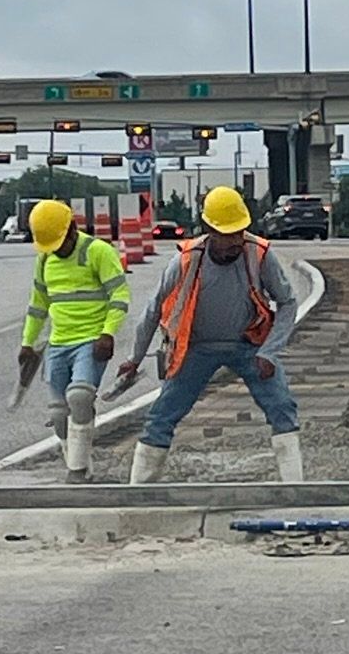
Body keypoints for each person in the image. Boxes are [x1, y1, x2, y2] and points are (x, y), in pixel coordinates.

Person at [119, 185, 303, 485]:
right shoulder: (187, 260)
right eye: (226, 234)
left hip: (248, 345)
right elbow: (152, 311)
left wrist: (269, 352)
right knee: (161, 416)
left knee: (282, 406)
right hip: (197, 348)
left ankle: (295, 488)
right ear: (208, 229)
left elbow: (288, 302)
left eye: (239, 232)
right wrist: (133, 359)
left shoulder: (258, 253)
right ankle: (139, 490)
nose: (234, 242)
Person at [18, 199, 130, 484]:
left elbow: (119, 296)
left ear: (72, 229)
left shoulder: (98, 252)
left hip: (90, 340)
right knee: (58, 414)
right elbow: (38, 304)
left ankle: (76, 471)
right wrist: (27, 343)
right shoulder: (44, 260)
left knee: (79, 397)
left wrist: (108, 333)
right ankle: (81, 463)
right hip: (59, 343)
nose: (56, 249)